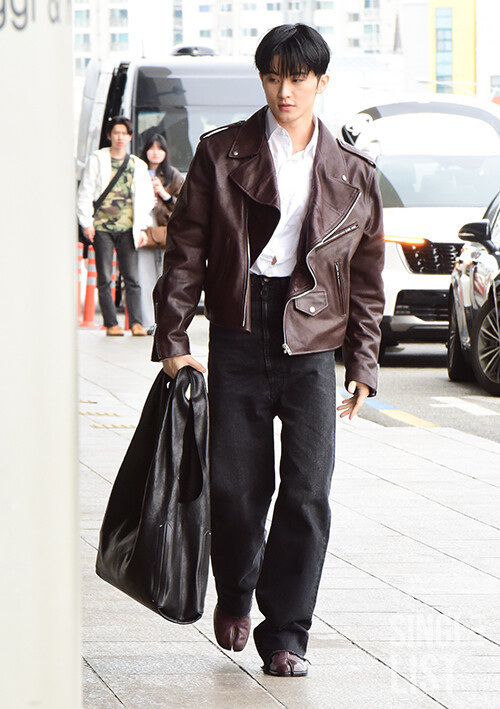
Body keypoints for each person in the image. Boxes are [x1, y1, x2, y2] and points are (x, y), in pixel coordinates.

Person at [152, 24, 385, 676]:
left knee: (307, 491)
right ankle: (235, 591)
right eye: (274, 76)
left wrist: (363, 362)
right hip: (238, 328)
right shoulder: (220, 153)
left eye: (298, 78)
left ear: (322, 82)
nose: (285, 90)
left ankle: (286, 633)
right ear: (262, 79)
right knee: (235, 488)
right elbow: (186, 250)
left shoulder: (355, 172)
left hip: (312, 339)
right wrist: (173, 339)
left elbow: (366, 278)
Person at [77, 116, 154, 336]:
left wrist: (142, 227)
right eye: (116, 133)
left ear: (129, 137)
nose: (120, 137)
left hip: (129, 228)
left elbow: (147, 198)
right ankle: (111, 324)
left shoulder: (137, 164)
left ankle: (136, 323)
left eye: (124, 133)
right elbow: (85, 192)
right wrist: (87, 223)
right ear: (109, 135)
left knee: (132, 278)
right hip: (102, 227)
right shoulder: (97, 159)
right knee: (104, 277)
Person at [138, 134, 184, 334]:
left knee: (167, 279)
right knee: (145, 277)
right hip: (144, 230)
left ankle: (166, 322)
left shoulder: (174, 175)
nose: (155, 153)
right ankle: (148, 322)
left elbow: (185, 204)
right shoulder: (138, 172)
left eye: (160, 149)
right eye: (152, 148)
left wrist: (164, 195)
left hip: (167, 232)